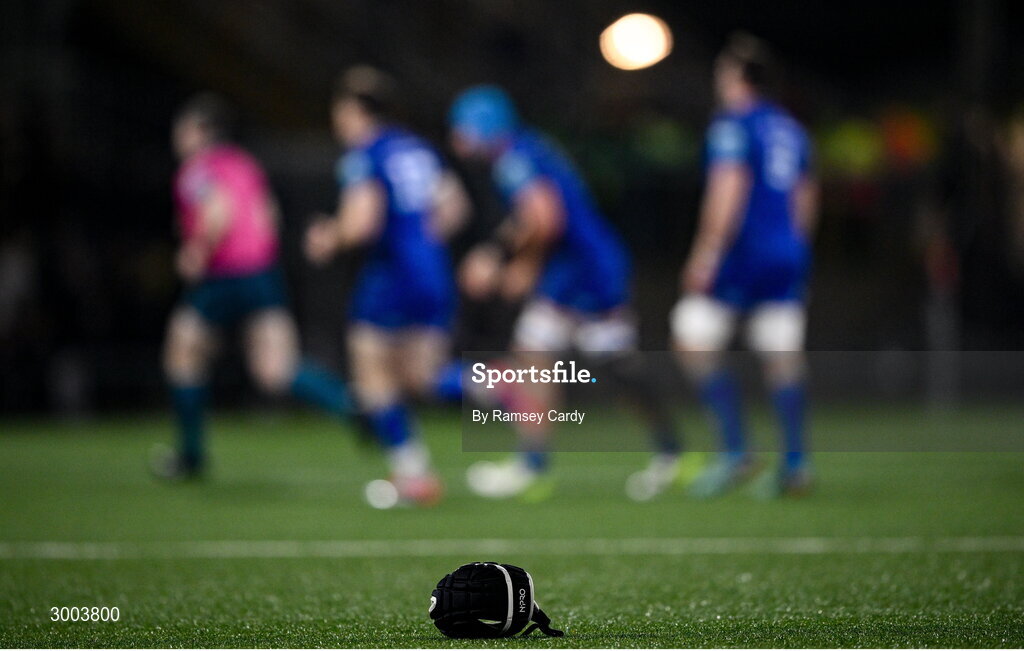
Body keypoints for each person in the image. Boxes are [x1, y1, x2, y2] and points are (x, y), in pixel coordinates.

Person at [449, 86, 688, 501]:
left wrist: (499, 256)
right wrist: (526, 263)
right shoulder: (526, 148)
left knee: (612, 365)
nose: (458, 140)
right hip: (577, 267)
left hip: (587, 271)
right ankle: (534, 463)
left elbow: (544, 218)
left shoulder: (514, 158)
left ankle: (671, 452)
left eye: (463, 129)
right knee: (534, 353)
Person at [158, 93, 352, 480]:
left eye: (182, 130)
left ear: (200, 131)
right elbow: (269, 216)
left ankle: (191, 456)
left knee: (182, 354)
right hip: (262, 273)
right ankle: (360, 411)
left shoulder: (199, 169)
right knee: (278, 369)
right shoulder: (245, 164)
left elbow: (219, 210)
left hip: (224, 274)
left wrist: (196, 251)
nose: (177, 138)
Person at [304, 66, 469, 507]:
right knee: (423, 376)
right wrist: (420, 240)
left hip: (391, 273)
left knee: (370, 368)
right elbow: (456, 207)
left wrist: (329, 237)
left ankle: (413, 475)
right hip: (430, 270)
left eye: (341, 109)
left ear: (357, 110)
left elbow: (363, 222)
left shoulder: (366, 153)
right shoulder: (418, 149)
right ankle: (496, 384)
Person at [670, 33, 818, 498]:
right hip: (786, 253)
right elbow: (806, 197)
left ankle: (736, 452)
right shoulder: (791, 129)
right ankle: (795, 463)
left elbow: (727, 189)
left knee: (691, 338)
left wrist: (706, 254)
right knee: (782, 356)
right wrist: (796, 252)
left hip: (742, 255)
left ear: (736, 76)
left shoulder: (733, 124)